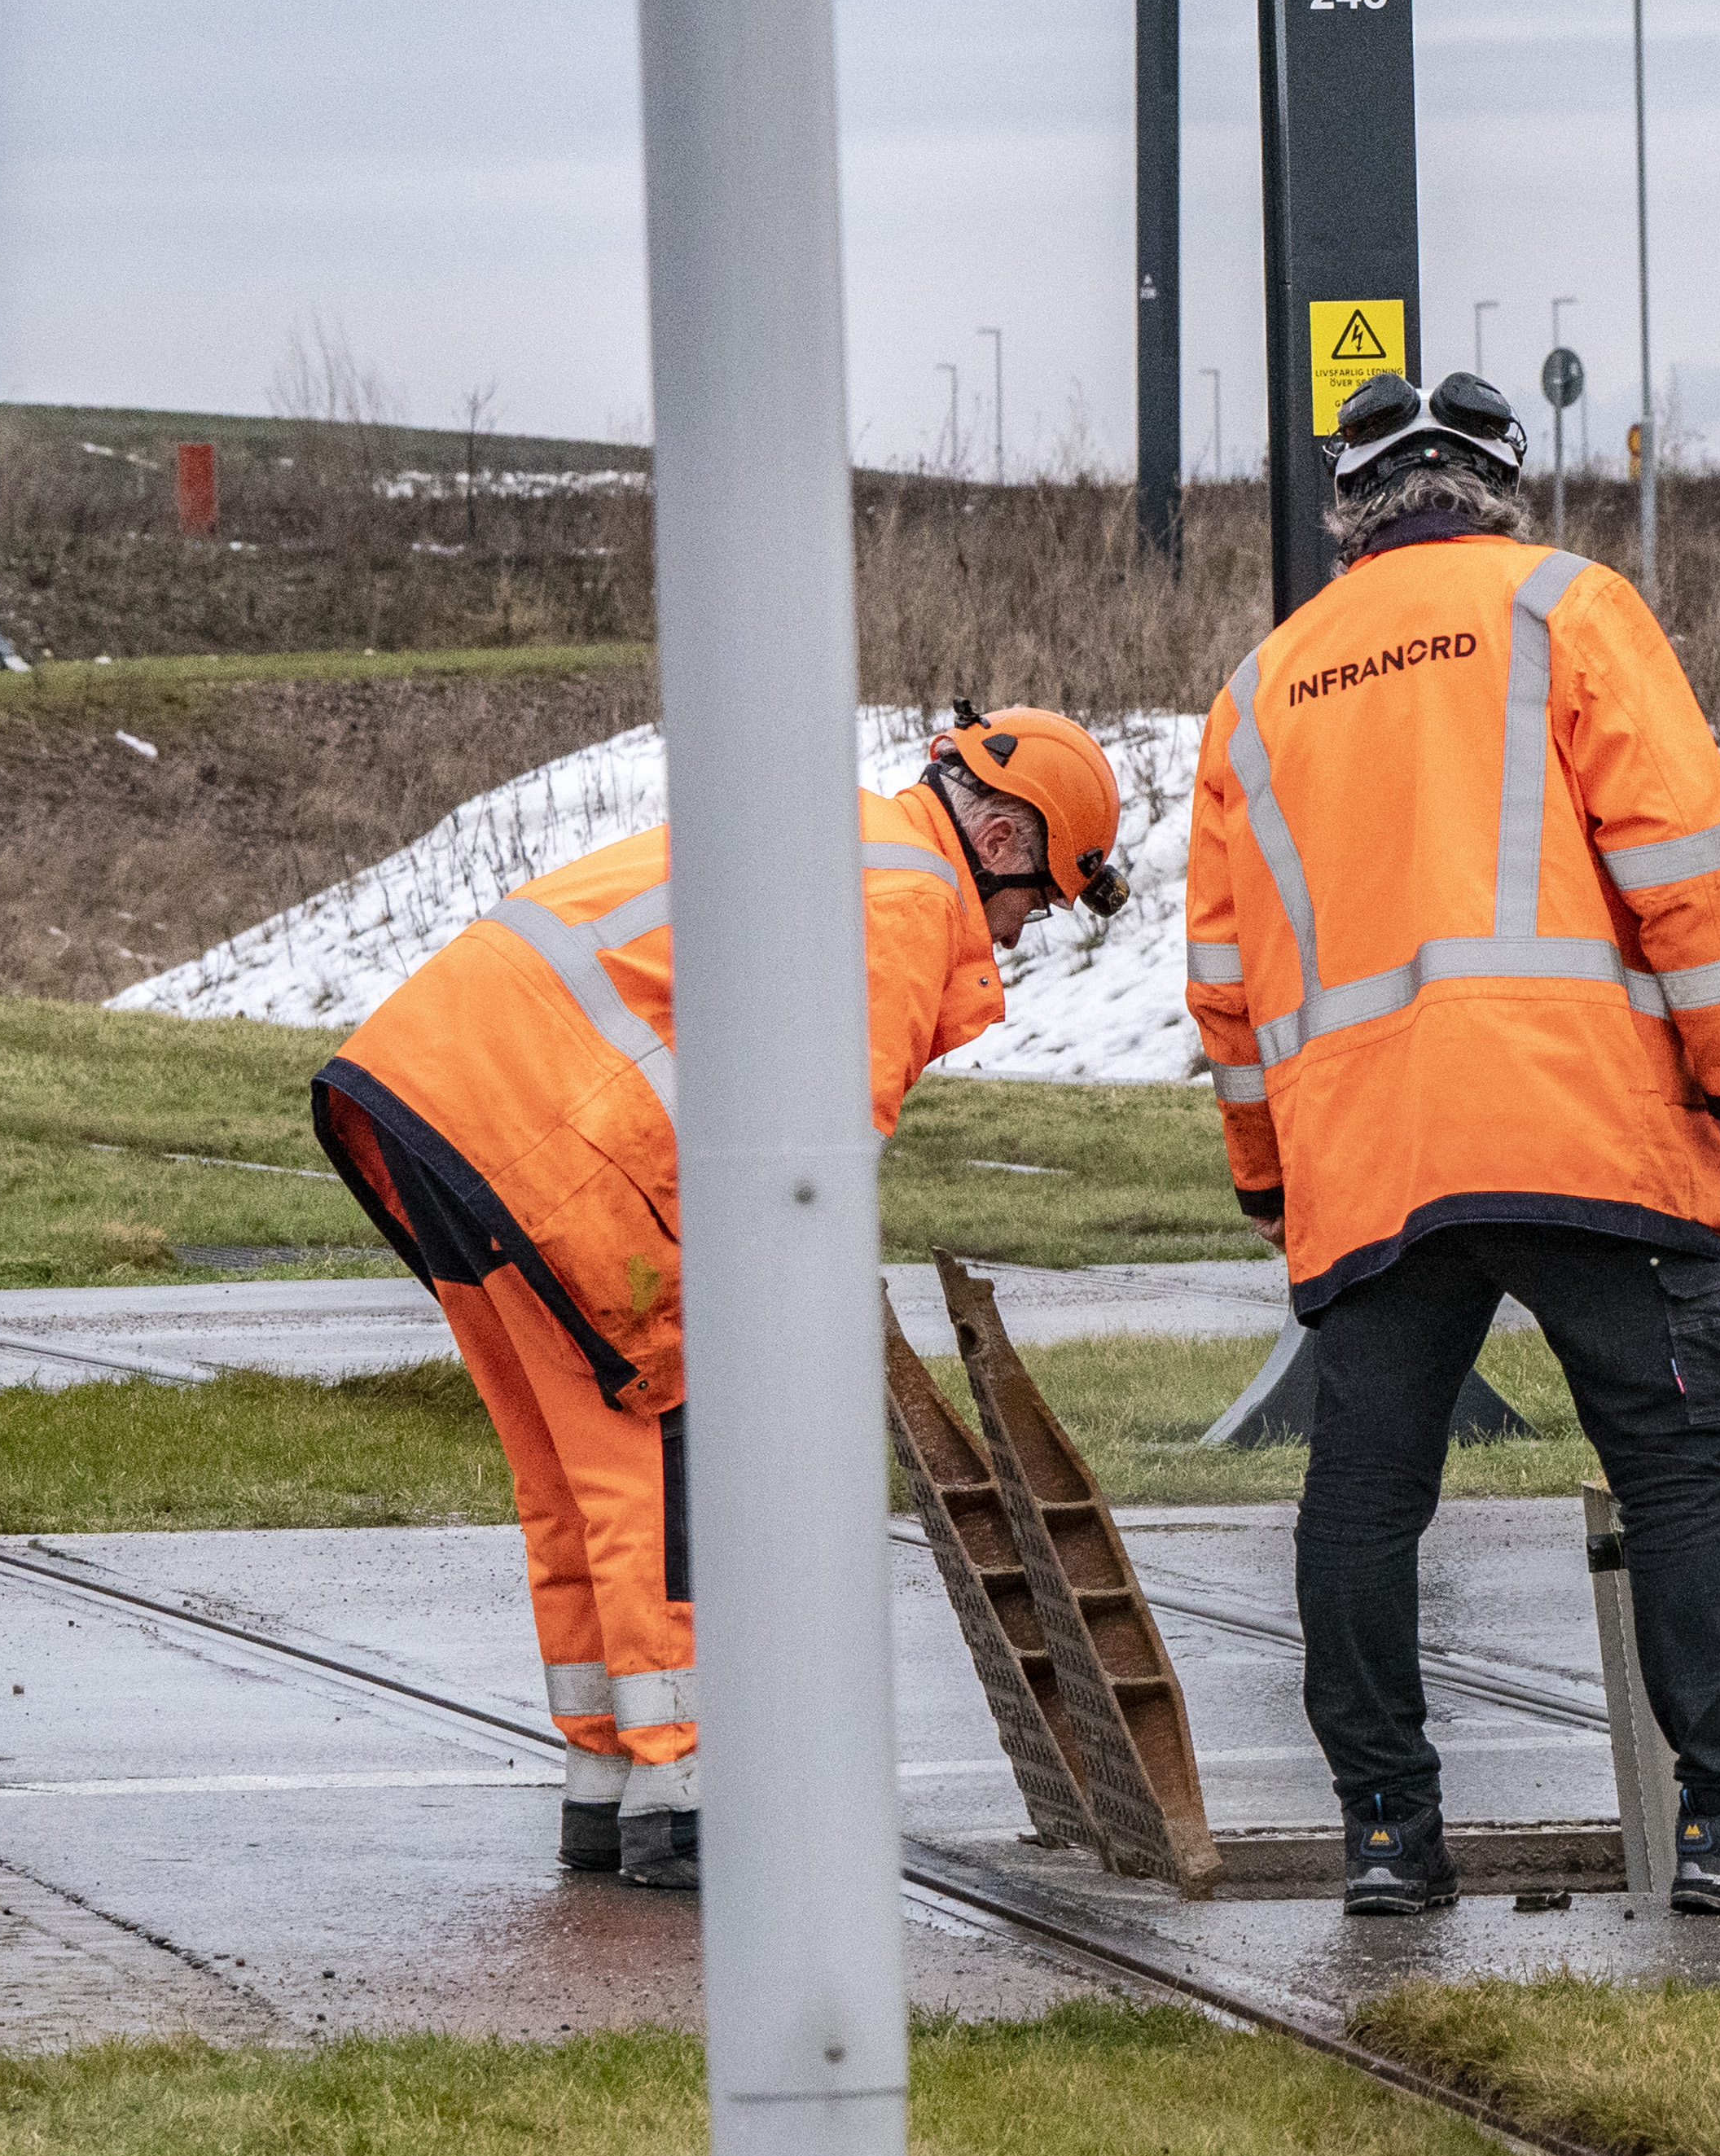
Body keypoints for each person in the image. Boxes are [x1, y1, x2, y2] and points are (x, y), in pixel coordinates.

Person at [1184, 370, 1720, 1919]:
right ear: (1500, 478)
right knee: (1679, 1471)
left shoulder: (1261, 689)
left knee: (1362, 1499)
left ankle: (1384, 1836)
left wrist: (1267, 1171)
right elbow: (1685, 867)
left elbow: (1223, 984)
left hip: (1370, 1157)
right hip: (1584, 1130)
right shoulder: (1571, 608)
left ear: (1348, 507)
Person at [316, 703, 1131, 1888]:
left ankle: (608, 1776)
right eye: (1040, 900)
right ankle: (684, 1786)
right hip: (545, 1143)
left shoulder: (844, 841)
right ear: (1004, 840)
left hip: (436, 1105)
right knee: (661, 1455)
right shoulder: (908, 903)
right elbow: (818, 1153)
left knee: (571, 1469)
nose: (1018, 932)